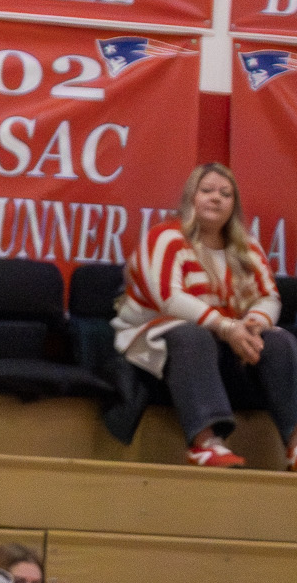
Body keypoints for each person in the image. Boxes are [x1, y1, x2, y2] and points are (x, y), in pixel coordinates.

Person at [113, 163, 297, 469]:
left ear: (234, 205)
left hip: (228, 343)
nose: (216, 199)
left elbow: (268, 297)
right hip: (158, 340)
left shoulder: (247, 248)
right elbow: (169, 298)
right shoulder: (165, 237)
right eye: (207, 191)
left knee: (279, 340)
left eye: (226, 194)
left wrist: (254, 324)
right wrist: (225, 326)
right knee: (191, 334)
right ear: (190, 198)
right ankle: (206, 444)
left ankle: (295, 445)